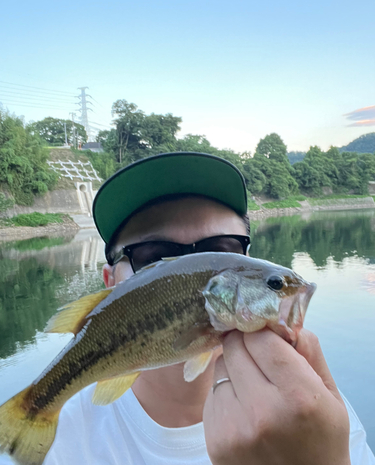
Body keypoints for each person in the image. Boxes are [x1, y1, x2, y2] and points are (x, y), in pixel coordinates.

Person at [35, 153, 375, 463]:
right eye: (153, 258)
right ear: (110, 282)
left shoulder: (310, 408)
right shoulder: (61, 441)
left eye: (220, 248)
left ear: (245, 258)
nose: (186, 271)